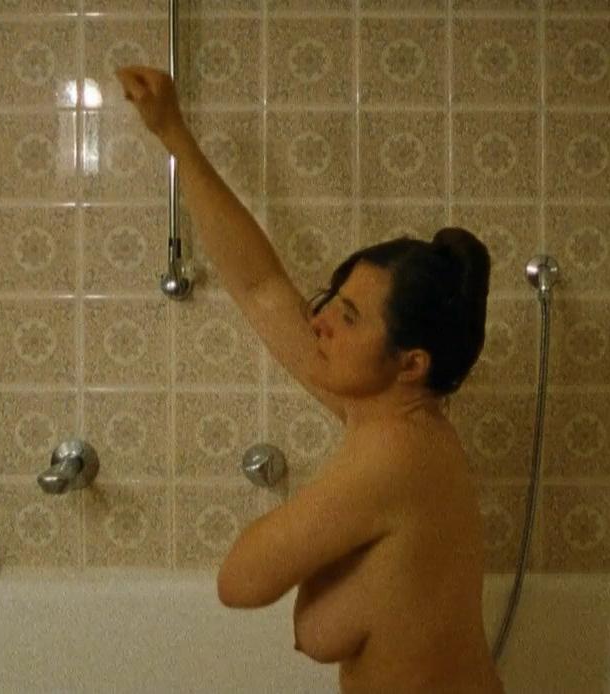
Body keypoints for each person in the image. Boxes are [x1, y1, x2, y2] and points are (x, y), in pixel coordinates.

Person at [116, 65, 503, 694]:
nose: (318, 320)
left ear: (411, 363)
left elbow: (241, 581)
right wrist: (175, 136)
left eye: (348, 317)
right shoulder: (392, 415)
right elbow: (261, 287)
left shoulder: (394, 456)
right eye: (332, 299)